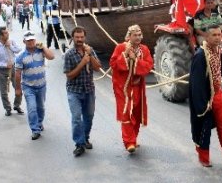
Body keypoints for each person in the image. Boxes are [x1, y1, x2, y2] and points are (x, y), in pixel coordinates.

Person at [189, 24, 222, 167]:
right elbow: (196, 83)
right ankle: (204, 157)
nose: (218, 38)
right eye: (214, 35)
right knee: (204, 129)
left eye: (219, 35)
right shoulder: (200, 56)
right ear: (206, 37)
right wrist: (203, 105)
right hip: (207, 97)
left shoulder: (218, 50)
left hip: (218, 94)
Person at [110, 25, 153, 153]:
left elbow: (149, 66)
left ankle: (133, 138)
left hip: (137, 87)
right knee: (126, 113)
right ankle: (129, 142)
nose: (138, 37)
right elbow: (113, 64)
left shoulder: (144, 50)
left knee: (136, 113)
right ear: (129, 36)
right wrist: (125, 56)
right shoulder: (120, 48)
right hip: (123, 87)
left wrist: (136, 60)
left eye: (140, 35)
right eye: (135, 35)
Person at [63, 26, 102, 156]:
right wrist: (82, 63)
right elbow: (69, 75)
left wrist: (89, 55)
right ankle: (79, 144)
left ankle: (85, 138)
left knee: (89, 117)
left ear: (84, 37)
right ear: (73, 38)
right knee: (76, 118)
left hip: (89, 90)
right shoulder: (69, 54)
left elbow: (97, 68)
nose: (79, 39)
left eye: (81, 37)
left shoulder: (89, 50)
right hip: (74, 91)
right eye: (77, 37)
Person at [15, 31, 55, 140]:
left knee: (41, 107)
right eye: (28, 40)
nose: (31, 42)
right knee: (32, 108)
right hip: (28, 87)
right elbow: (18, 73)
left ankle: (39, 122)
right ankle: (35, 129)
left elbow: (51, 57)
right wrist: (18, 89)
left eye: (32, 40)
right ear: (24, 42)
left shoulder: (41, 51)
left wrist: (44, 47)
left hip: (41, 85)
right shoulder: (20, 56)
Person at [0, 26, 24, 116]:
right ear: (0, 36)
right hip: (2, 71)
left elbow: (19, 50)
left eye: (7, 32)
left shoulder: (11, 41)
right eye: (5, 33)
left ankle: (17, 105)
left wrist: (10, 46)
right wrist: (4, 65)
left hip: (14, 69)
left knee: (18, 88)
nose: (7, 34)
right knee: (4, 91)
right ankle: (7, 108)